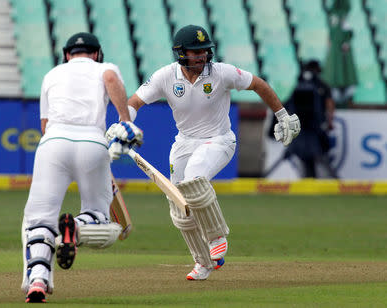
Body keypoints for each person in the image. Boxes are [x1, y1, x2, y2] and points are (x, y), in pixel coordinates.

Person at [107, 25, 300, 280]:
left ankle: (216, 235)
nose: (201, 57)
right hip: (184, 143)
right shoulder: (166, 76)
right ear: (181, 53)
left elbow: (258, 84)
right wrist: (123, 124)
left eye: (204, 51)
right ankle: (203, 262)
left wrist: (282, 115)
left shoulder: (221, 72)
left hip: (219, 140)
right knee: (178, 204)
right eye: (195, 52)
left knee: (195, 177)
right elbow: (134, 102)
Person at [21, 32, 143, 303]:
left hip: (53, 142)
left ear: (66, 55)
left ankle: (38, 281)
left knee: (39, 219)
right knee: (100, 218)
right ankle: (74, 228)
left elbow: (44, 125)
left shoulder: (51, 74)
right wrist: (124, 121)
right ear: (97, 53)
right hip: (92, 141)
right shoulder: (105, 68)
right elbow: (110, 79)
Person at [282, 60, 337, 178]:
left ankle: (311, 177)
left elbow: (286, 106)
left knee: (313, 154)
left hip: (307, 127)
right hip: (313, 126)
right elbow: (330, 105)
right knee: (314, 155)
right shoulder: (322, 85)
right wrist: (329, 122)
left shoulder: (299, 86)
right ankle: (314, 177)